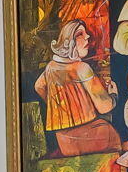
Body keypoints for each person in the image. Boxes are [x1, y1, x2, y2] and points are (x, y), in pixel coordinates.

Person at [33, 20, 122, 156]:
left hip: (64, 142)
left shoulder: (51, 67)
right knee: (114, 136)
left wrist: (57, 104)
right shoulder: (82, 68)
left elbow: (38, 86)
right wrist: (114, 95)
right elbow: (105, 107)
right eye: (80, 34)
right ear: (69, 42)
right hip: (91, 137)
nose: (87, 37)